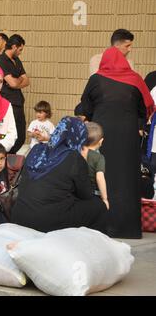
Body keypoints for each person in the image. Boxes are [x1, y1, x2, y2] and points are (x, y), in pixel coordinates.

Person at [78, 46, 154, 238]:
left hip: (101, 136)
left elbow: (85, 106)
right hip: (127, 137)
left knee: (100, 174)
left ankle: (102, 225)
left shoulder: (96, 79)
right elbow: (146, 107)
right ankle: (127, 228)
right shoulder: (135, 79)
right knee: (126, 178)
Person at [11, 117, 108, 233]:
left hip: (19, 215)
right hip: (45, 220)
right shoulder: (74, 157)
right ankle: (87, 248)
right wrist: (84, 160)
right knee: (99, 206)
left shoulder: (36, 149)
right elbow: (85, 194)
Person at [1, 34, 30, 154]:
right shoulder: (1, 61)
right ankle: (4, 157)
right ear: (13, 47)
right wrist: (17, 81)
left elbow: (27, 80)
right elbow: (12, 83)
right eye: (20, 49)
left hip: (18, 103)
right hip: (8, 104)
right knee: (10, 136)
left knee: (21, 137)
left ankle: (8, 156)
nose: (20, 52)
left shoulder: (17, 60)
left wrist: (16, 81)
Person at [81, 122, 109, 210]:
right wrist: (105, 199)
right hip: (92, 193)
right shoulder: (99, 157)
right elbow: (100, 178)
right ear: (101, 141)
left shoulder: (77, 152)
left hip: (76, 191)